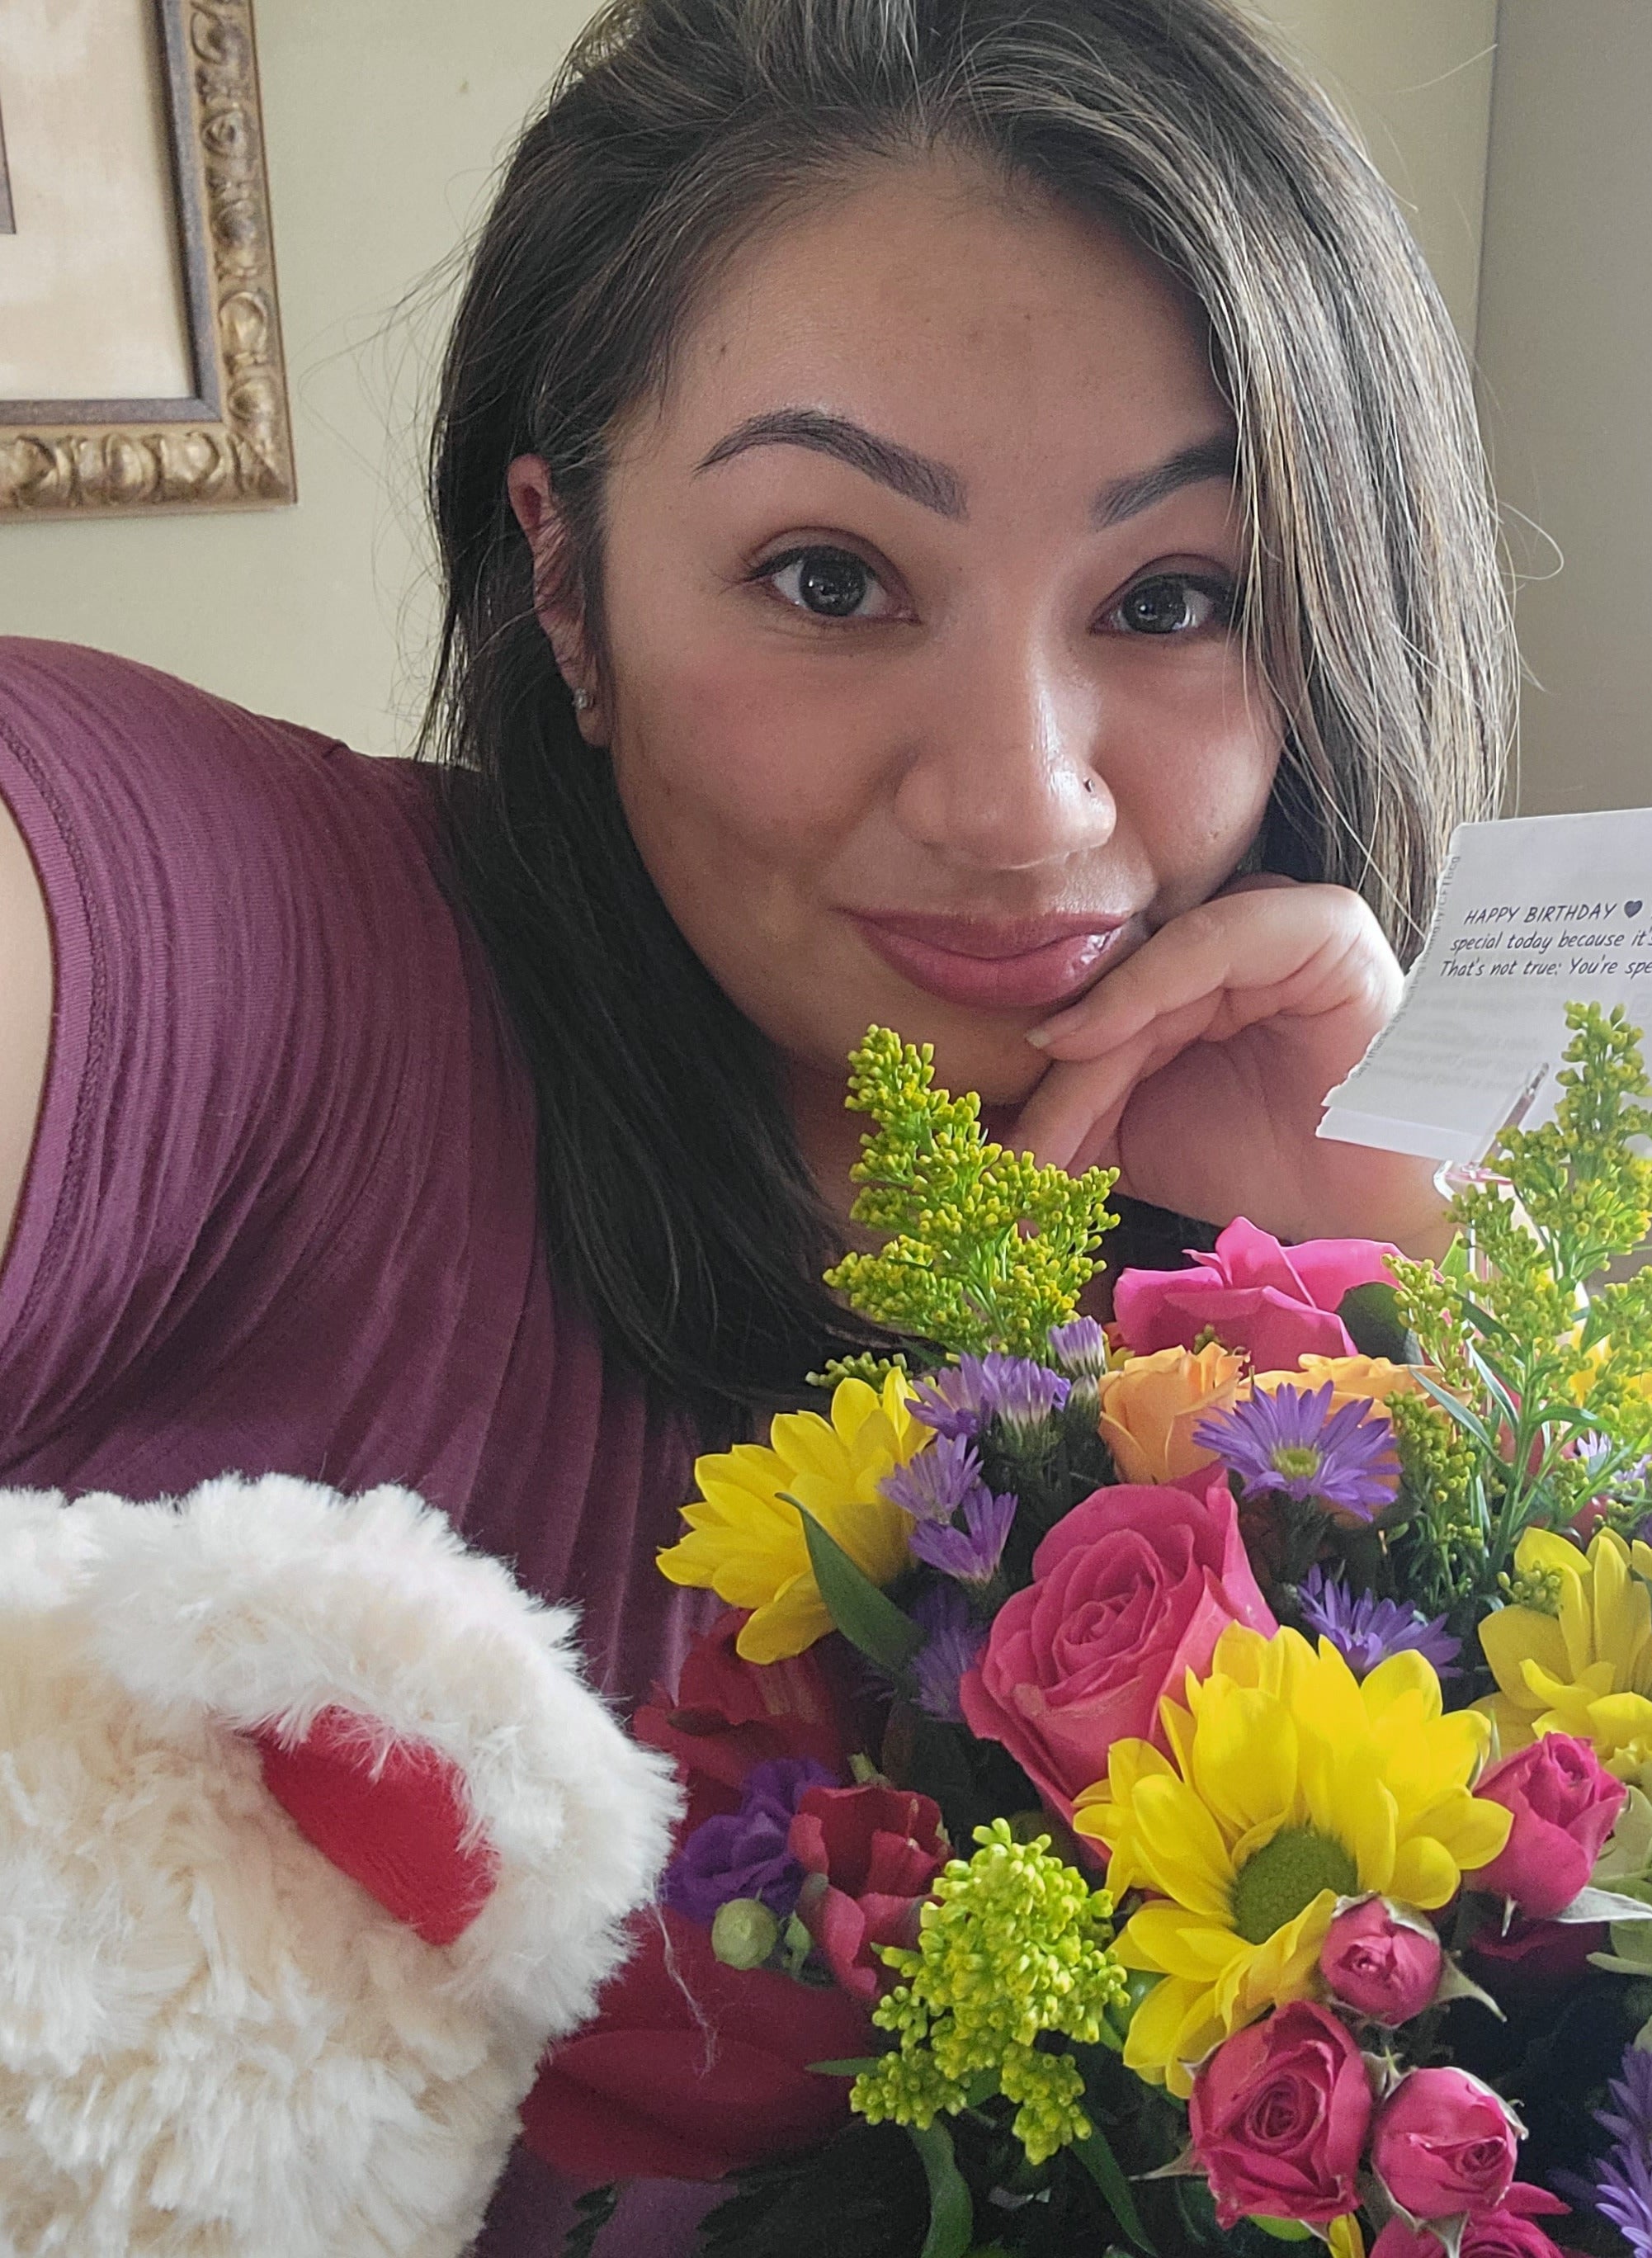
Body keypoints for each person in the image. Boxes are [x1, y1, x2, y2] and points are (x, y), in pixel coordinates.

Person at [0, 0, 1511, 2242]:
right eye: (830, 579)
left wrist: (1390, 1303)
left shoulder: (1279, 1206)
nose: (1024, 804)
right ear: (565, 582)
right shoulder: (239, 970)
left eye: (1175, 598)